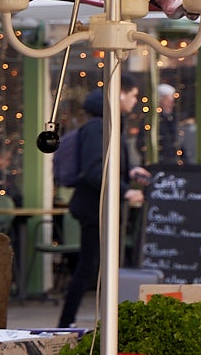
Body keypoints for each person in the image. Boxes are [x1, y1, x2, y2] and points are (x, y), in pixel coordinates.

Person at [61, 87, 145, 327]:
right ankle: (66, 322)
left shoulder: (107, 124)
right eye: (133, 95)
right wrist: (124, 189)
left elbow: (107, 165)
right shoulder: (98, 127)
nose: (135, 100)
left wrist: (130, 172)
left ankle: (71, 321)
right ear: (120, 94)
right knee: (89, 266)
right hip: (94, 207)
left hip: (99, 206)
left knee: (93, 265)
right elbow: (95, 170)